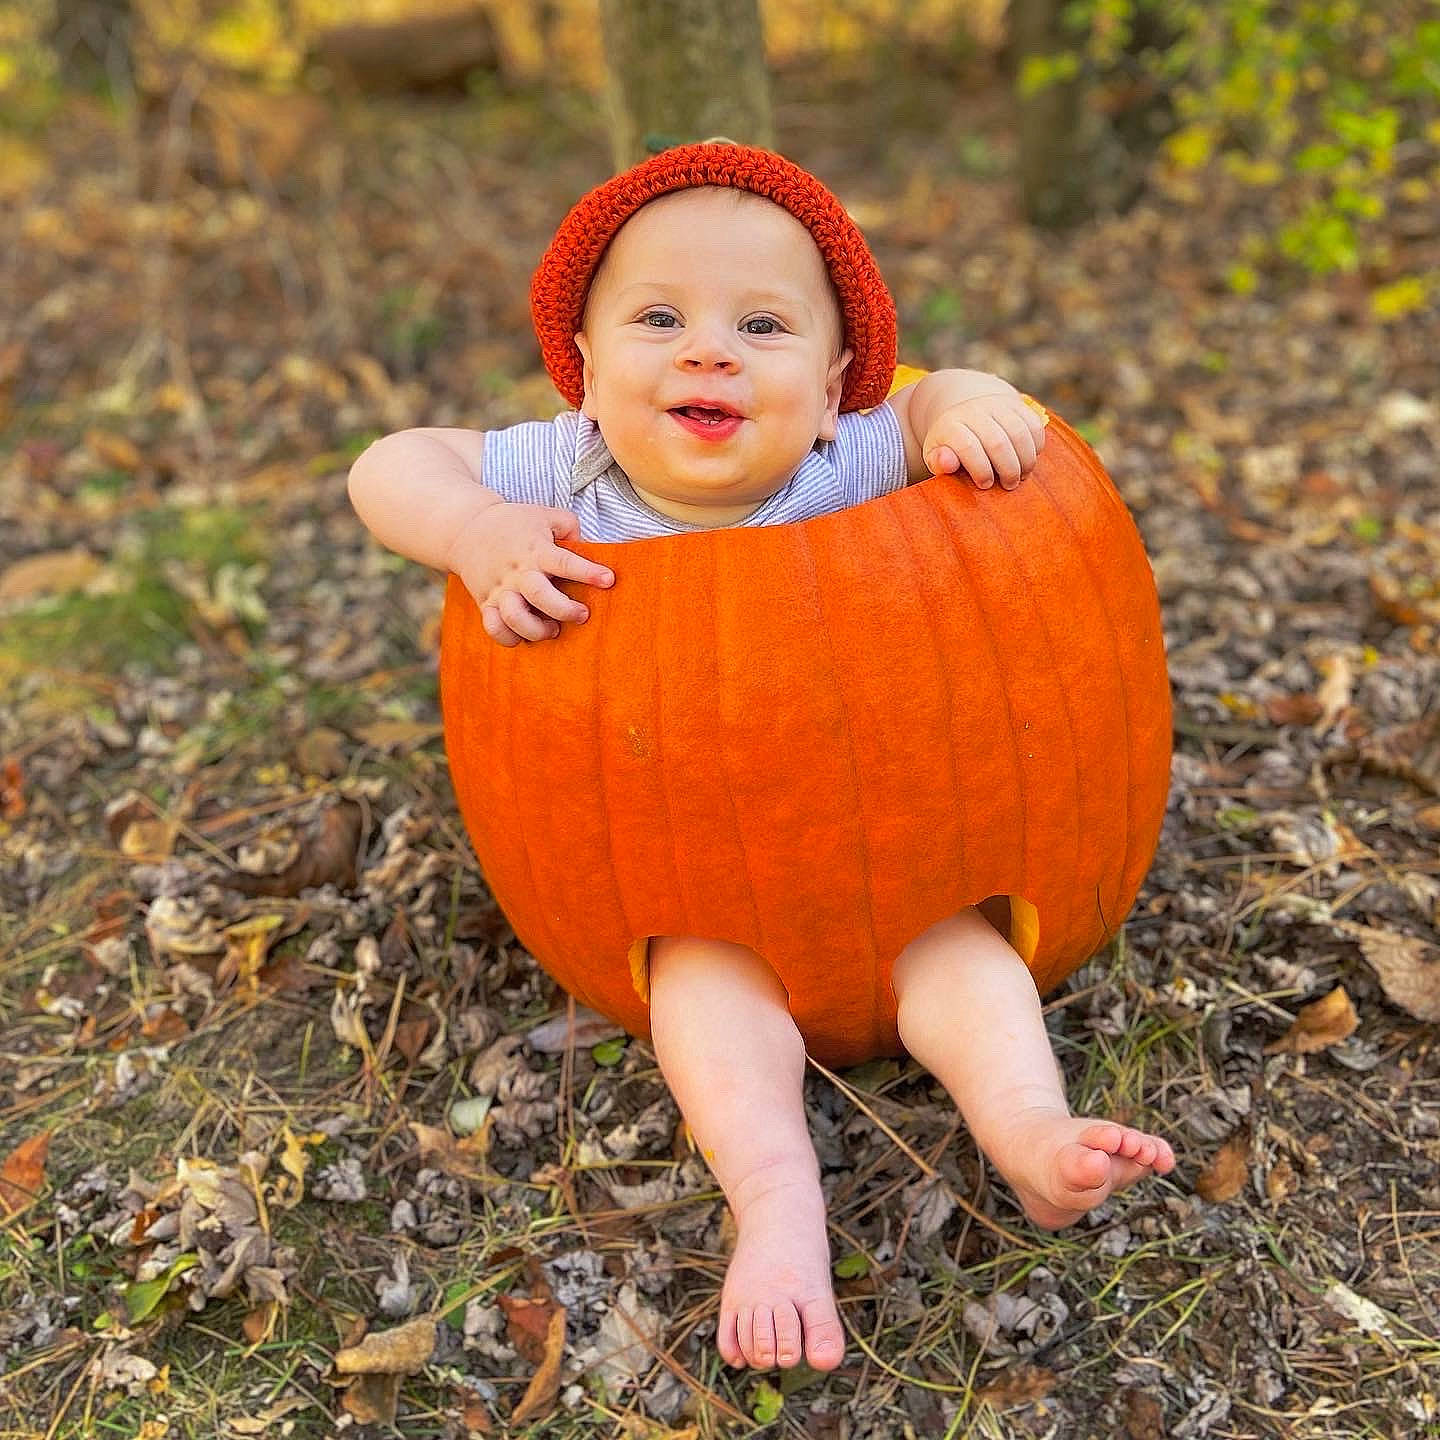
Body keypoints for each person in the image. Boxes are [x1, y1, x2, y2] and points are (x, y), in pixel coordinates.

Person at [348, 141, 1175, 1376]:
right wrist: (474, 529)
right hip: (691, 894)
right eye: (661, 318)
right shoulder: (564, 471)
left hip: (912, 862)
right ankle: (776, 1200)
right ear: (581, 369)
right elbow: (387, 464)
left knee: (968, 957)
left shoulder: (852, 459)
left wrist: (970, 404)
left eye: (763, 324)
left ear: (840, 380)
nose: (708, 350)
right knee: (697, 993)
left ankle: (1031, 1129)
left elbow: (939, 390)